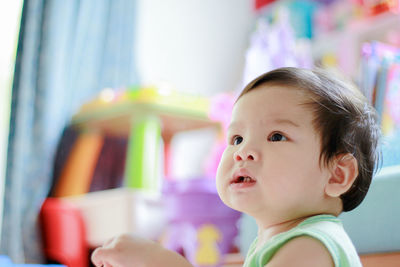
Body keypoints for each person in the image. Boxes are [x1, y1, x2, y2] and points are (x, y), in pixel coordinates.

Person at [91, 67, 380, 267]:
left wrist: (159, 261)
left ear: (337, 174)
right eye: (237, 138)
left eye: (276, 136)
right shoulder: (272, 243)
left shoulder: (314, 245)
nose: (243, 152)